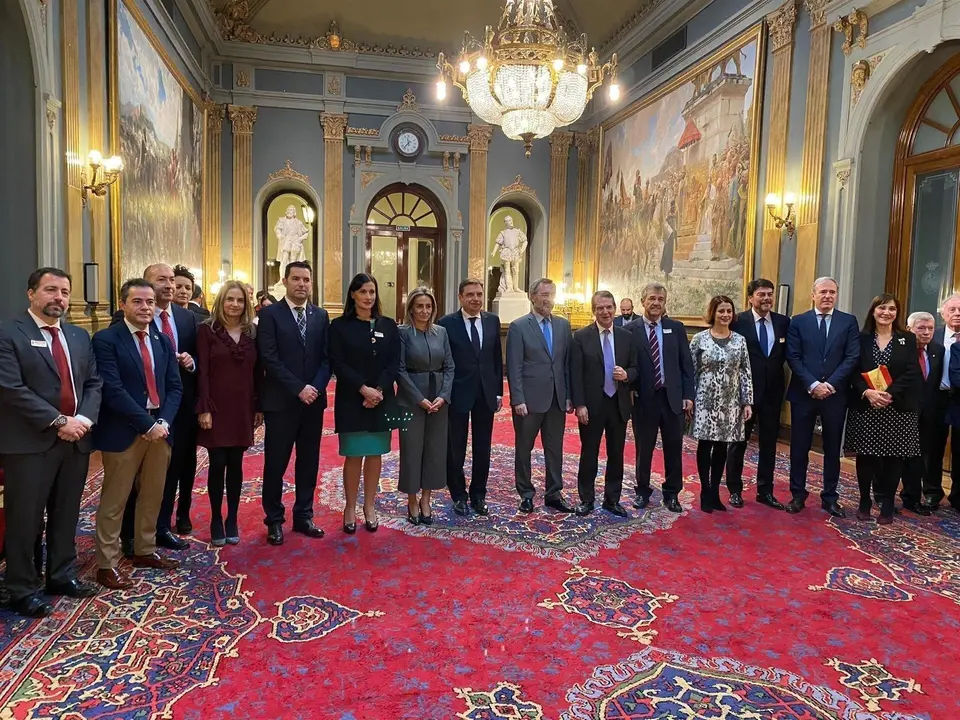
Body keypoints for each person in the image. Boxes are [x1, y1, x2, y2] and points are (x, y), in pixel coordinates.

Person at [0, 268, 103, 617]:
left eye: (63, 291)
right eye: (50, 290)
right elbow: (10, 389)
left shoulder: (77, 336)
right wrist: (59, 421)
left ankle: (61, 576)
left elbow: (94, 383)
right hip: (29, 443)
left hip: (75, 441)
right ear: (31, 294)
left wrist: (84, 420)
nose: (58, 297)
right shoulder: (8, 333)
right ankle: (22, 587)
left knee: (66, 513)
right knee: (25, 519)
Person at [92, 279, 183, 590]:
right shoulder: (106, 340)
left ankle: (144, 549)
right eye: (138, 302)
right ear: (123, 305)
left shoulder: (162, 340)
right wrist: (147, 424)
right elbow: (112, 389)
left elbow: (174, 387)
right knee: (115, 498)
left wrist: (165, 423)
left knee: (152, 493)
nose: (146, 308)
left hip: (161, 430)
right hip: (124, 430)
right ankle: (107, 563)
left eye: (150, 302)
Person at [114, 263, 198, 553]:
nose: (169, 285)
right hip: (136, 414)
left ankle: (159, 528)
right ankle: (128, 535)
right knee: (131, 478)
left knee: (169, 472)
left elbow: (198, 359)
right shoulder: (122, 321)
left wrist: (191, 361)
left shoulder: (187, 317)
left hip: (177, 410)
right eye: (160, 280)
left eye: (171, 280)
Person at [256, 261, 331, 545]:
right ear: (285, 281)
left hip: (313, 402)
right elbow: (269, 358)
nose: (302, 284)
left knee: (308, 461)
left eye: (306, 280)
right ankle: (274, 519)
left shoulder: (320, 315)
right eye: (296, 279)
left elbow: (327, 358)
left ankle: (304, 515)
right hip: (282, 401)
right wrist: (299, 388)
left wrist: (315, 387)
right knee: (276, 462)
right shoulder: (270, 314)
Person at [328, 274, 400, 533]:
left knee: (375, 455)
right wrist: (363, 389)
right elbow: (338, 362)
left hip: (381, 400)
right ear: (353, 295)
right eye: (363, 292)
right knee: (354, 456)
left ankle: (369, 506)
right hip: (352, 398)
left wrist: (378, 390)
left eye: (372, 292)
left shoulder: (389, 325)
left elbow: (393, 362)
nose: (368, 297)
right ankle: (350, 507)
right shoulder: (338, 326)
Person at [785, 277, 860, 517]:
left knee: (831, 448)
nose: (828, 296)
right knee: (799, 446)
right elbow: (793, 356)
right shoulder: (798, 321)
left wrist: (830, 385)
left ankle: (830, 497)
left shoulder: (848, 322)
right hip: (804, 394)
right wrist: (814, 384)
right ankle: (797, 494)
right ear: (813, 294)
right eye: (823, 292)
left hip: (835, 395)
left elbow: (852, 357)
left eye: (832, 292)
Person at [845, 294, 921, 524]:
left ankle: (887, 502)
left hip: (896, 407)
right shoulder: (861, 338)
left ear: (897, 314)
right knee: (866, 456)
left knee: (893, 458)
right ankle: (865, 500)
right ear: (873, 310)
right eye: (882, 308)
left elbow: (911, 371)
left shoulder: (906, 339)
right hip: (867, 406)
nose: (886, 313)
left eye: (892, 309)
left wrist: (889, 394)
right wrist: (867, 393)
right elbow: (852, 369)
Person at [196, 281, 261, 546]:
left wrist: (258, 407)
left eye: (240, 300)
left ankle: (232, 517)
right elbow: (201, 372)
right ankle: (215, 518)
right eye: (229, 299)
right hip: (215, 407)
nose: (235, 304)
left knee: (236, 464)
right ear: (220, 301)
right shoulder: (206, 330)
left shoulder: (252, 332)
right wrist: (204, 407)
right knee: (217, 463)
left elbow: (259, 373)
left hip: (243, 407)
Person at [506, 278, 575, 514]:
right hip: (530, 400)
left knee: (555, 448)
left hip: (557, 399)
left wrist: (568, 395)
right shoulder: (519, 326)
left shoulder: (564, 326)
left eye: (551, 294)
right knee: (524, 448)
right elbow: (513, 366)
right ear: (532, 297)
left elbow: (566, 364)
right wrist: (518, 399)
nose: (548, 299)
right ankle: (525, 493)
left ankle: (554, 493)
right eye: (543, 294)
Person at [624, 282, 694, 513]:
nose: (656, 303)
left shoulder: (676, 328)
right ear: (643, 301)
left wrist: (688, 395)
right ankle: (642, 491)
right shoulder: (629, 330)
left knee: (674, 448)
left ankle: (672, 493)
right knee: (644, 449)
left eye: (660, 300)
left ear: (665, 303)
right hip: (644, 400)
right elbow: (627, 365)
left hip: (672, 398)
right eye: (652, 299)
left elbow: (686, 366)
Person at [438, 279, 502, 516]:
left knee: (482, 446)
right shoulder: (446, 323)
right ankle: (458, 495)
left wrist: (498, 392)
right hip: (457, 393)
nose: (476, 298)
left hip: (485, 394)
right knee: (455, 447)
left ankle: (478, 494)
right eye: (470, 294)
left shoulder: (493, 321)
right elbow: (444, 362)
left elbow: (496, 359)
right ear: (460, 297)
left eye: (479, 294)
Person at [570, 290, 637, 517]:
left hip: (618, 405)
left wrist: (626, 374)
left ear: (615, 308)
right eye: (600, 308)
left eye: (609, 307)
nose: (605, 312)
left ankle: (612, 499)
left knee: (616, 454)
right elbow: (575, 374)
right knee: (589, 453)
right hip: (591, 406)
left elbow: (637, 369)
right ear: (594, 311)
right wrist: (580, 405)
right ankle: (586, 499)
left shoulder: (627, 336)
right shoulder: (581, 336)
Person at [725, 279, 790, 509]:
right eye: (761, 294)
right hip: (743, 394)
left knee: (769, 444)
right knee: (738, 442)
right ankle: (734, 489)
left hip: (773, 393)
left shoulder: (783, 322)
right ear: (751, 297)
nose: (766, 299)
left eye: (770, 294)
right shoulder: (738, 321)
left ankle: (765, 491)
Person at [689, 296, 753, 513]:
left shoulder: (739, 340)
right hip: (704, 400)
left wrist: (747, 402)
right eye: (721, 311)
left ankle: (716, 491)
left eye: (728, 311)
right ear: (713, 313)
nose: (725, 315)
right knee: (705, 445)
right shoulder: (699, 339)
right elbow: (691, 371)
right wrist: (689, 399)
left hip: (730, 402)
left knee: (722, 447)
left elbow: (745, 372)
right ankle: (705, 491)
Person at [397, 288, 455, 525]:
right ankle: (412, 500)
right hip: (412, 398)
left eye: (428, 306)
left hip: (439, 400)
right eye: (419, 306)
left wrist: (443, 396)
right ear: (411, 308)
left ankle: (426, 500)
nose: (424, 311)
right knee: (412, 450)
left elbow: (450, 367)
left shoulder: (441, 332)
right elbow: (398, 369)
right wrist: (418, 398)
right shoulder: (402, 333)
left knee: (434, 449)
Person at [901, 311, 939, 515]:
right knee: (894, 458)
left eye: (930, 328)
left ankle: (912, 498)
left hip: (927, 415)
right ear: (909, 329)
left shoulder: (937, 350)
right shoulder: (901, 350)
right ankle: (883, 497)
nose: (926, 333)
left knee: (919, 458)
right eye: (921, 328)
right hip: (901, 411)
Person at [928, 293, 960, 510]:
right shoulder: (932, 335)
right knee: (933, 448)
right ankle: (932, 492)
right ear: (942, 313)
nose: (957, 314)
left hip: (959, 400)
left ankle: (958, 496)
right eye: (953, 310)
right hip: (936, 397)